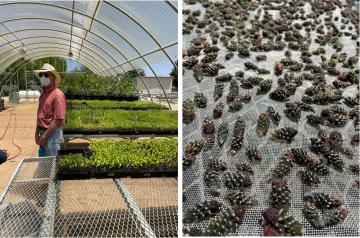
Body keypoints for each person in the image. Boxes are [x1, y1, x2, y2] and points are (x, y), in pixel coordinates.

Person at [34, 63, 66, 156]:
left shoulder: (58, 95)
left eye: (46, 75)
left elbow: (58, 120)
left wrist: (44, 137)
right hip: (43, 133)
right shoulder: (43, 95)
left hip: (52, 135)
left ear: (53, 78)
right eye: (41, 75)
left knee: (51, 163)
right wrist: (37, 133)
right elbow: (40, 116)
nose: (43, 77)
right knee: (45, 162)